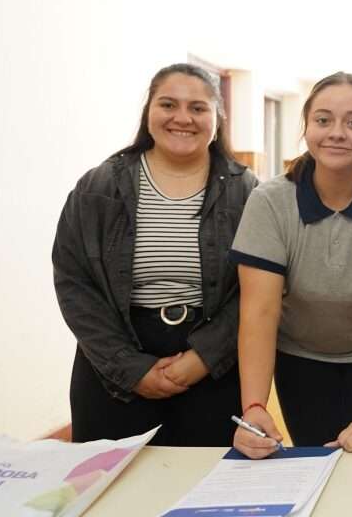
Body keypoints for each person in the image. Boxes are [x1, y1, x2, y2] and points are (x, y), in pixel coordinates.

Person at [53, 63, 258, 446]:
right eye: (168, 104)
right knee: (112, 494)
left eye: (198, 108)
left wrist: (202, 359)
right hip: (113, 367)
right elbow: (73, 283)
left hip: (214, 367)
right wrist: (131, 368)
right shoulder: (99, 187)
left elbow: (257, 291)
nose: (182, 118)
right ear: (149, 111)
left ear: (217, 119)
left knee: (202, 492)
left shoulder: (247, 192)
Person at [231, 72, 352, 458]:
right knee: (314, 458)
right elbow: (260, 311)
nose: (337, 132)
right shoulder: (269, 202)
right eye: (323, 120)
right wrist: (254, 407)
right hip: (301, 353)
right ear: (306, 127)